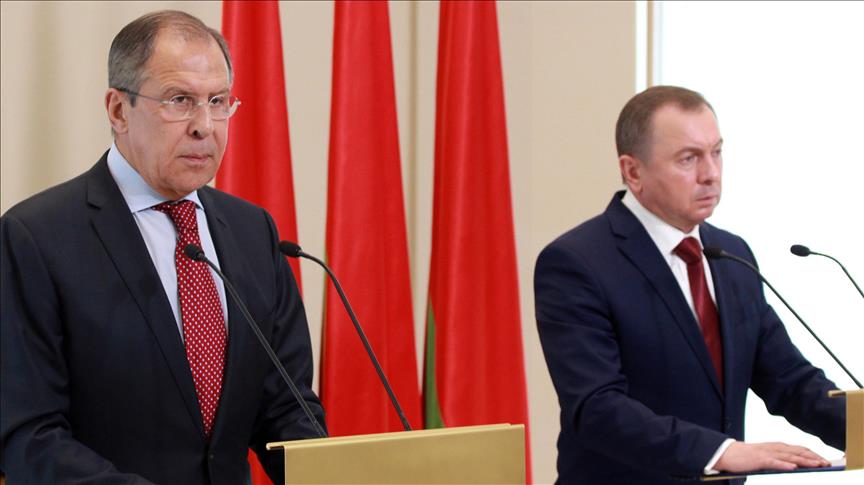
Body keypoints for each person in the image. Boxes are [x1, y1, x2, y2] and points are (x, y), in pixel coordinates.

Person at [1, 10, 325, 485]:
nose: (204, 126)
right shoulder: (35, 237)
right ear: (118, 110)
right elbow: (29, 436)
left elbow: (286, 409)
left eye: (218, 101)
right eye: (180, 100)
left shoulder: (252, 231)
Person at [534, 85, 845, 484]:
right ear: (633, 171)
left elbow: (790, 381)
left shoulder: (731, 255)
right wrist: (721, 452)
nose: (710, 173)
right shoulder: (578, 263)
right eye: (689, 158)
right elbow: (598, 407)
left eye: (716, 152)